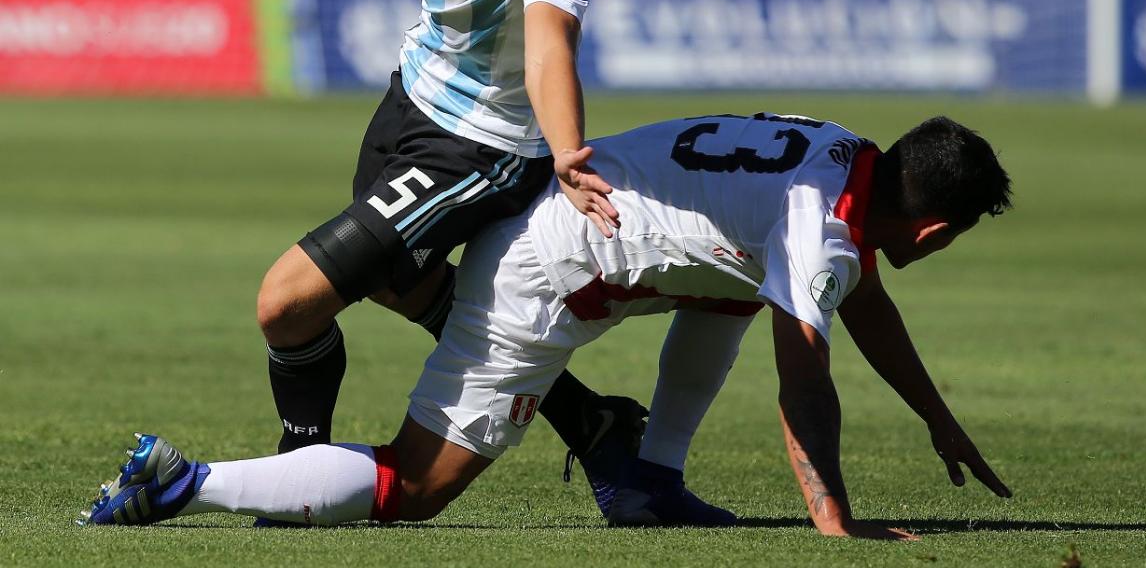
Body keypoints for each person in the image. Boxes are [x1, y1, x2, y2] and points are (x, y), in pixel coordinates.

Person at [82, 0, 640, 515]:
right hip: (410, 100)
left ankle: (295, 469)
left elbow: (550, 49)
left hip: (484, 147)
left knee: (287, 301)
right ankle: (592, 420)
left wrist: (565, 150)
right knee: (398, 283)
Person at [81, 112, 1015, 539]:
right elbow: (805, 378)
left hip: (576, 223)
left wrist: (935, 416)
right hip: (544, 271)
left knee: (735, 284)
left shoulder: (842, 159)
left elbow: (862, 302)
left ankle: (648, 483)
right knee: (414, 487)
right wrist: (834, 525)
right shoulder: (823, 235)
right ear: (935, 227)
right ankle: (185, 485)